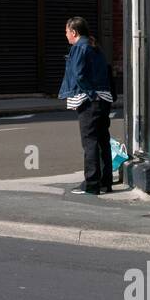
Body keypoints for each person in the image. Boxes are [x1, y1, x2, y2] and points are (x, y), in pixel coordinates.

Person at [58, 16, 114, 195]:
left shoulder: (79, 48)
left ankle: (92, 185)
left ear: (74, 32)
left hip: (90, 101)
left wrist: (90, 95)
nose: (66, 35)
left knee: (89, 143)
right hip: (104, 99)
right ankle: (106, 182)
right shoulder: (95, 47)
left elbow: (79, 75)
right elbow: (107, 70)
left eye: (66, 32)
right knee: (103, 141)